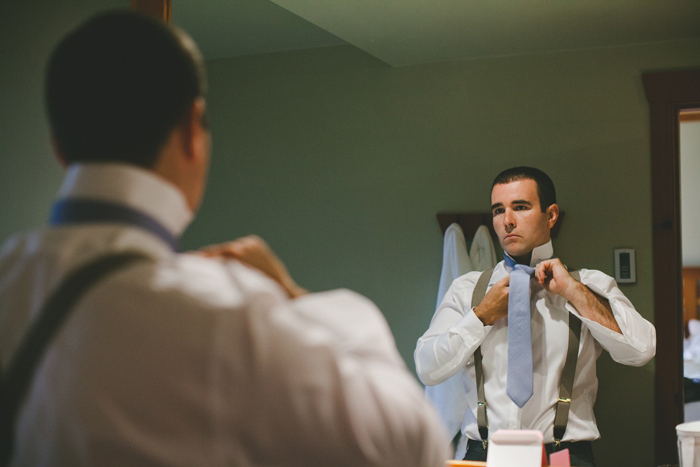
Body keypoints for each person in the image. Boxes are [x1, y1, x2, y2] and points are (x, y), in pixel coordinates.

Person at [0, 10, 449, 466]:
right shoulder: (222, 312)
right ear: (192, 131)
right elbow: (412, 445)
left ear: (58, 145)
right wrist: (298, 300)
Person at [414, 166, 656, 466]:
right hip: (484, 454)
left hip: (564, 455)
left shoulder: (591, 285)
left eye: (521, 207)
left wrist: (573, 292)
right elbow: (427, 367)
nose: (507, 221)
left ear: (551, 215)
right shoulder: (468, 290)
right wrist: (481, 317)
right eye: (498, 210)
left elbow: (642, 349)